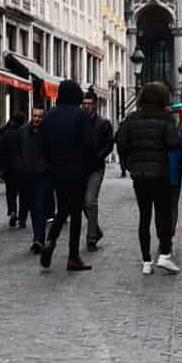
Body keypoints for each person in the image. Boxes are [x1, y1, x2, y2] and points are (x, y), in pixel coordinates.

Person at [115, 79, 182, 273]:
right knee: (163, 215)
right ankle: (165, 254)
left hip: (140, 175)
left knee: (144, 217)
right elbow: (173, 144)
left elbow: (120, 142)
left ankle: (146, 262)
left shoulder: (132, 118)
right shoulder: (165, 118)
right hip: (160, 173)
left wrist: (130, 163)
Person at [37, 79, 97, 271]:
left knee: (62, 209)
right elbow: (89, 144)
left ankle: (50, 241)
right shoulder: (80, 115)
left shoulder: (49, 116)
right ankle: (73, 256)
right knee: (76, 213)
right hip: (77, 170)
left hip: (55, 171)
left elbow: (42, 144)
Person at [81, 87, 115, 251]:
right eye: (84, 103)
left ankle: (91, 238)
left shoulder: (103, 123)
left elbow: (109, 145)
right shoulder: (79, 122)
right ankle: (96, 230)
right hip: (80, 168)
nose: (86, 106)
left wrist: (98, 157)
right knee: (82, 203)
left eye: (89, 104)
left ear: (95, 105)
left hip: (95, 168)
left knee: (90, 201)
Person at [20, 103, 50, 253]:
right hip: (27, 176)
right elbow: (17, 152)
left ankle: (38, 239)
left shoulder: (48, 132)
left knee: (40, 206)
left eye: (39, 116)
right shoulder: (23, 132)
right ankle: (37, 237)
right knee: (33, 208)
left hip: (43, 175)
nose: (37, 119)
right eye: (35, 116)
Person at [0, 108, 30, 228]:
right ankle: (22, 218)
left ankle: (13, 212)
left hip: (8, 169)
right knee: (24, 194)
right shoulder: (24, 133)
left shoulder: (4, 133)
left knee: (11, 193)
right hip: (22, 168)